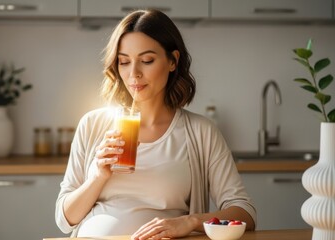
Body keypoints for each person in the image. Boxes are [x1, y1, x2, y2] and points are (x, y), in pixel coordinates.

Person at [55, 9, 256, 240]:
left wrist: (190, 222)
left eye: (147, 60)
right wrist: (98, 177)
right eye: (124, 62)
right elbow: (64, 220)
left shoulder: (201, 132)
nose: (134, 74)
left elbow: (245, 213)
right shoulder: (92, 125)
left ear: (173, 61)